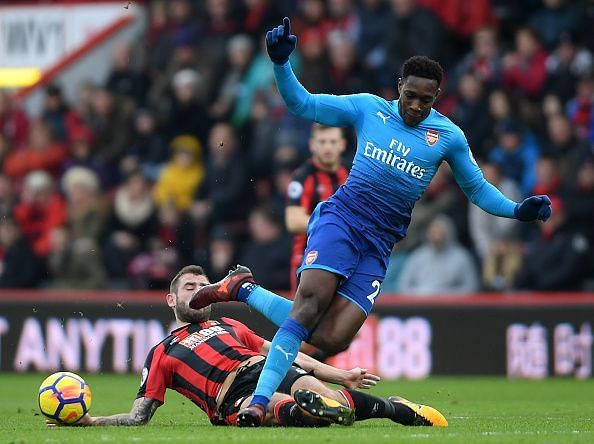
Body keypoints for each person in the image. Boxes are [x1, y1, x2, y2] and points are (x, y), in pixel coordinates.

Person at [190, 17, 552, 426]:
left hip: (379, 245)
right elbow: (303, 104)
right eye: (411, 96)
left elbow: (478, 189)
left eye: (426, 100)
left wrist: (518, 209)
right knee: (308, 308)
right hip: (342, 221)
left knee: (330, 338)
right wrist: (281, 64)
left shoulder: (448, 136)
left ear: (437, 98)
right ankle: (257, 401)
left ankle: (244, 288)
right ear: (399, 87)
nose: (416, 106)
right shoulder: (368, 109)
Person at [47, 265, 447, 428]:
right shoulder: (161, 353)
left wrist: (339, 372)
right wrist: (92, 421)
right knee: (278, 411)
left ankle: (395, 410)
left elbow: (287, 348)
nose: (198, 293)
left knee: (315, 395)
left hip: (264, 368)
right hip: (228, 398)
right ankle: (323, 410)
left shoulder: (230, 325)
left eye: (204, 288)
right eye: (190, 289)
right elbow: (139, 417)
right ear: (172, 300)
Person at [286, 123, 348, 293]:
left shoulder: (352, 173)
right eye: (322, 142)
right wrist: (336, 227)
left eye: (333, 142)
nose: (328, 147)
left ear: (342, 144)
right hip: (307, 257)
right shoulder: (303, 176)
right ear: (312, 145)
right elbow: (293, 221)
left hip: (344, 256)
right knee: (304, 315)